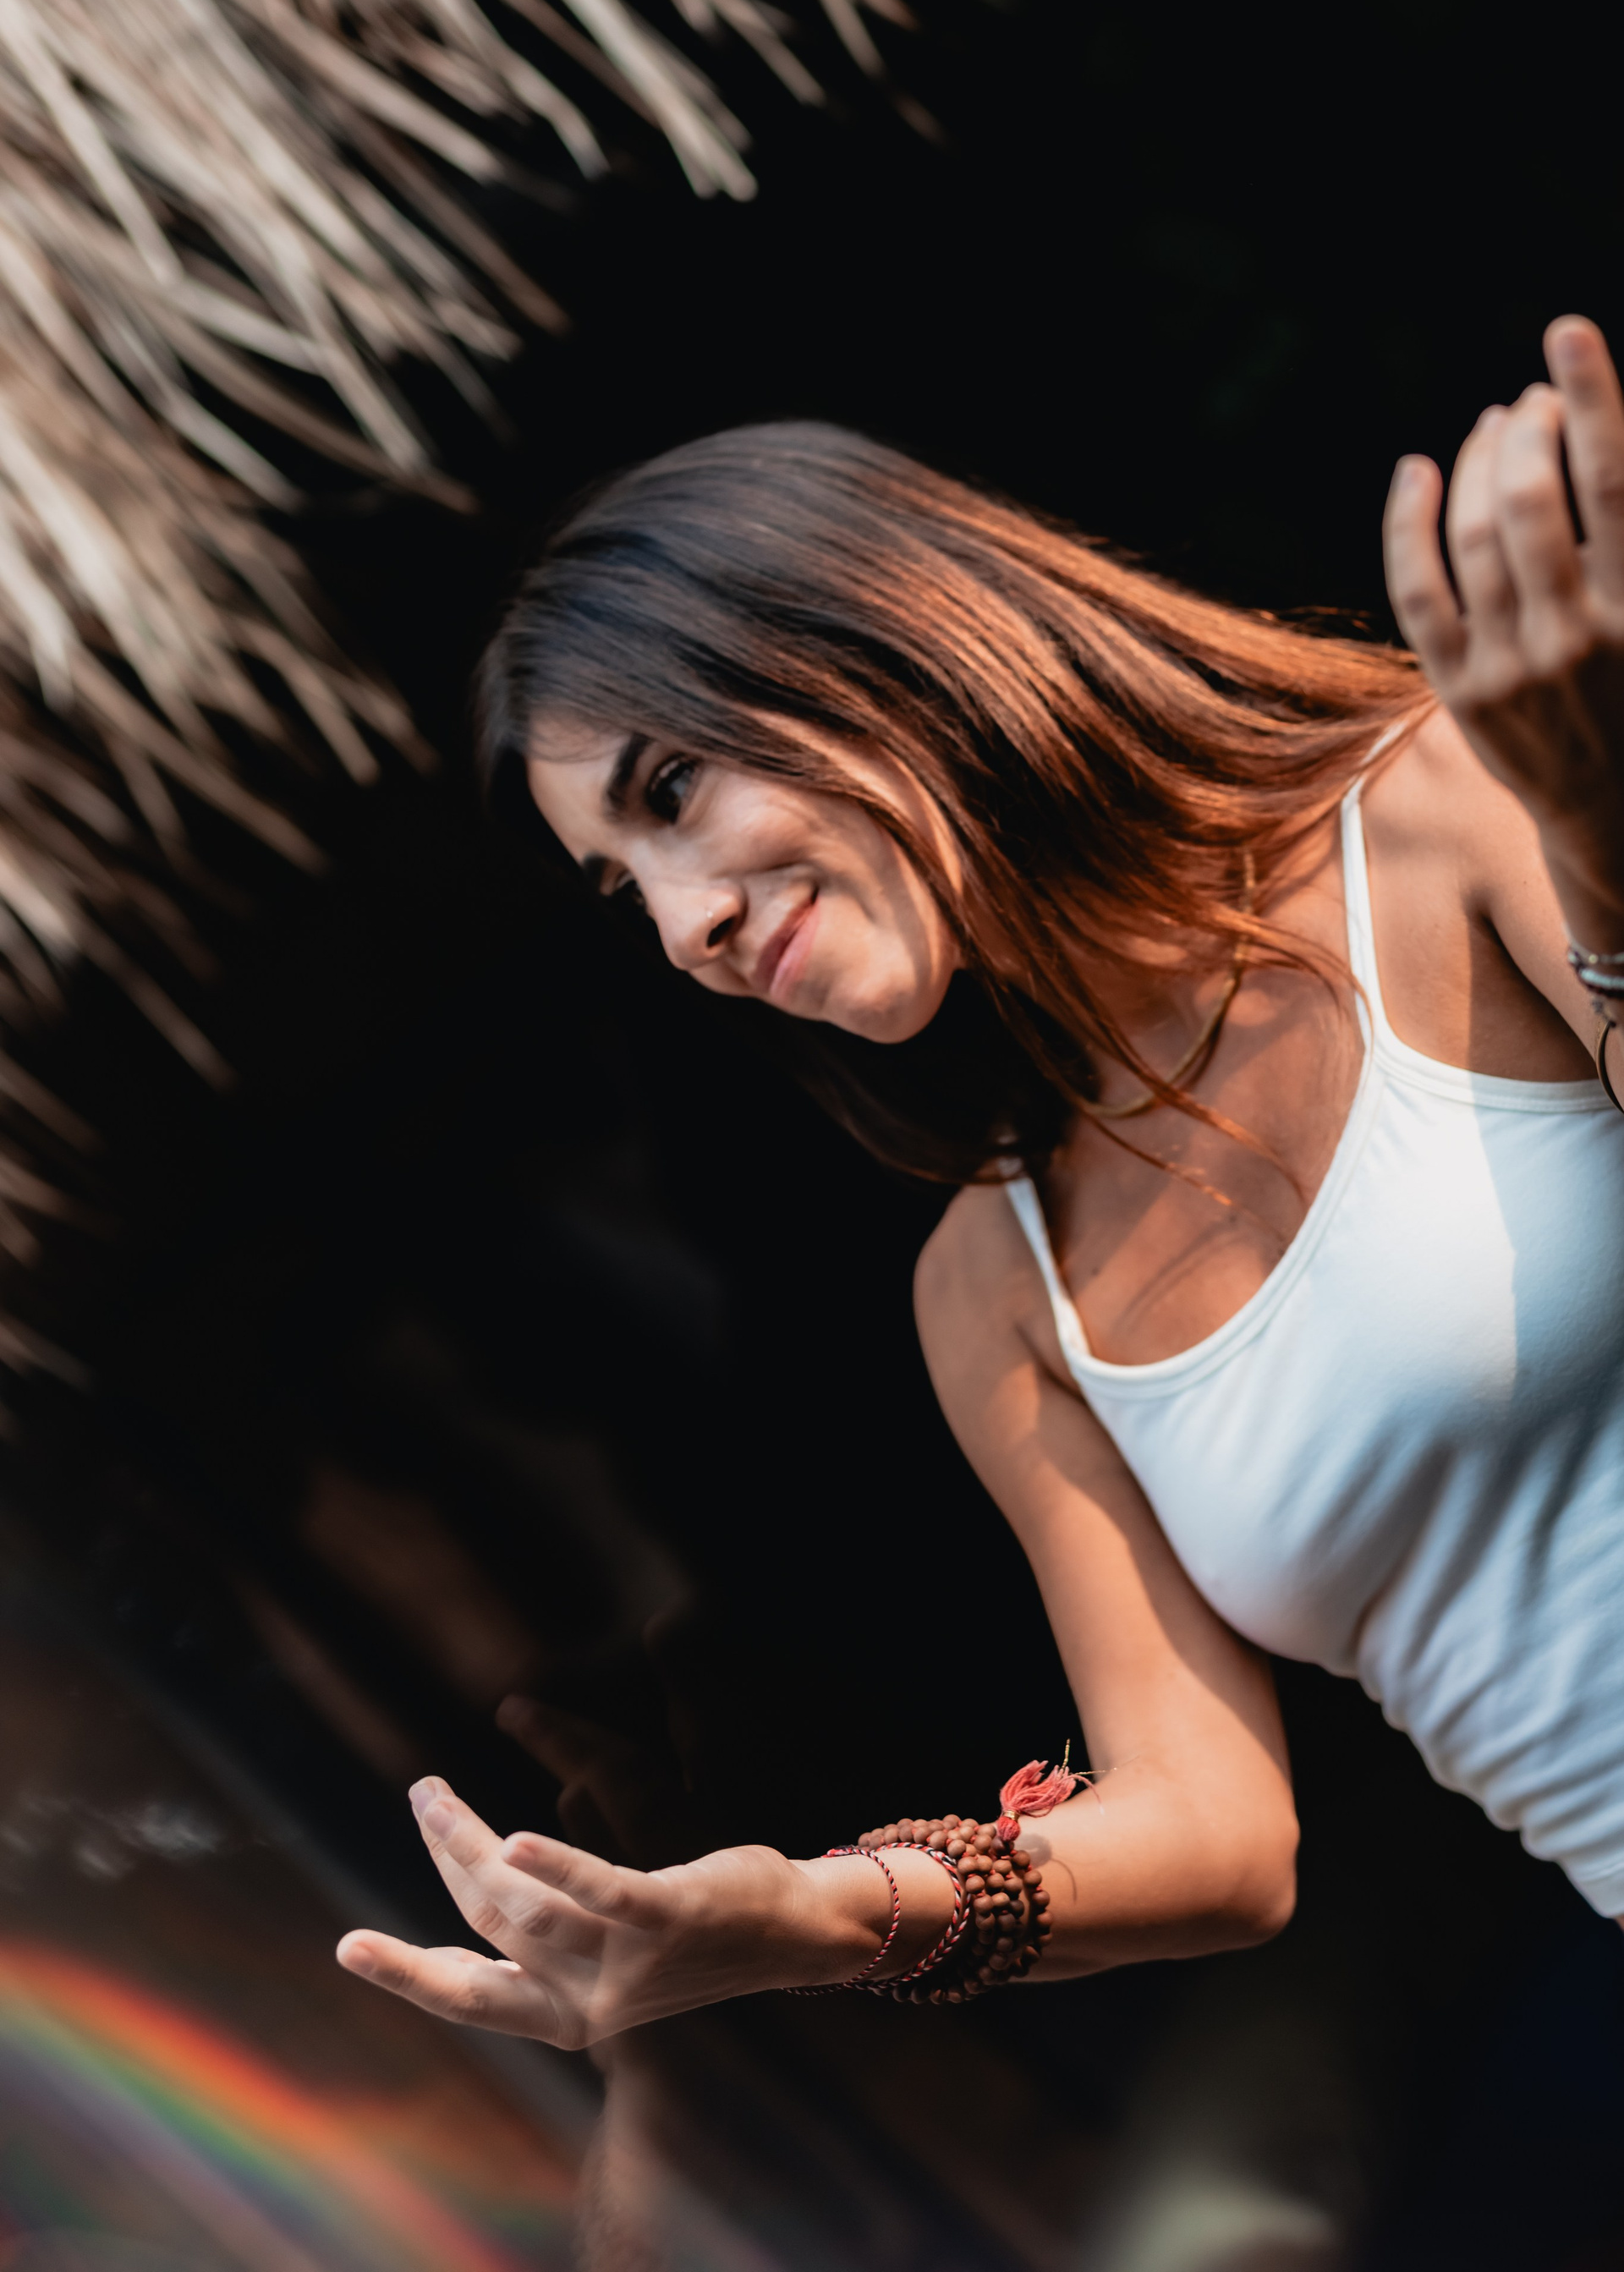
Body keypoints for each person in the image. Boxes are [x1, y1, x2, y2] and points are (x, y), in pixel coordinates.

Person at [336, 314, 1624, 2048]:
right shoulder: (995, 1288)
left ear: (871, 641)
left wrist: (1600, 839)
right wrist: (814, 1912)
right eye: (627, 887)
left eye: (676, 789)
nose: (686, 925)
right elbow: (1216, 1833)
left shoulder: (1448, 807)